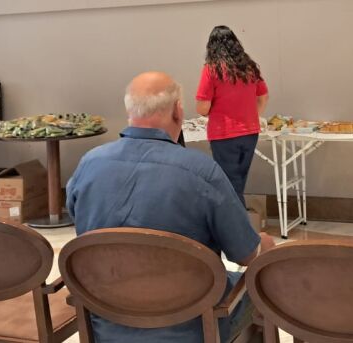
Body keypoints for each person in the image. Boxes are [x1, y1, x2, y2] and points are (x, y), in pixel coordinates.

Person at [67, 72, 275, 343]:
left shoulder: (88, 164)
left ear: (129, 111)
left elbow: (79, 224)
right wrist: (265, 245)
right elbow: (246, 255)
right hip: (195, 327)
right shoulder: (202, 172)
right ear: (178, 112)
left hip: (106, 324)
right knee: (264, 280)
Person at [196, 26, 268, 205]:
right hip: (250, 132)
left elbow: (202, 107)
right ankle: (239, 224)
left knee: (229, 185)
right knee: (239, 182)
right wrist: (251, 115)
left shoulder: (212, 70)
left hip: (224, 134)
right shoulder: (249, 67)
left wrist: (209, 110)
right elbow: (263, 96)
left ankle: (237, 227)